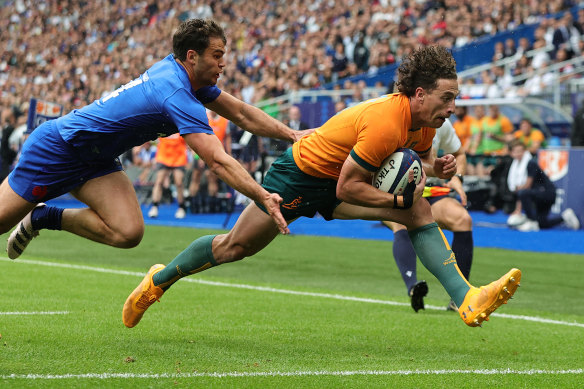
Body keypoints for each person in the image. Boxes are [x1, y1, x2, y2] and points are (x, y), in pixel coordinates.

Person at [123, 46, 521, 330]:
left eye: (454, 98)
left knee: (417, 209)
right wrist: (398, 198)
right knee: (235, 247)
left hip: (337, 179)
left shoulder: (424, 124)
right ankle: (157, 282)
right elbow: (349, 187)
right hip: (301, 174)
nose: (452, 107)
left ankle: (467, 299)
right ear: (420, 94)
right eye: (446, 98)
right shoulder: (387, 121)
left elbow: (416, 166)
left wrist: (438, 167)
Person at [3, 19, 310, 259]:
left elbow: (241, 113)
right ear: (192, 56)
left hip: (96, 160)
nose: (223, 63)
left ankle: (44, 216)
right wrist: (262, 196)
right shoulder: (177, 93)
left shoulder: (185, 77)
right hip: (58, 148)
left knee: (128, 232)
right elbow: (216, 161)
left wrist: (292, 134)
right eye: (217, 56)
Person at [384, 119, 473, 313]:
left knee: (463, 219)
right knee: (402, 223)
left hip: (431, 190)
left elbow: (459, 153)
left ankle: (460, 298)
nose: (449, 108)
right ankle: (412, 287)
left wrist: (457, 178)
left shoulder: (442, 121)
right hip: (393, 193)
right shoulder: (386, 121)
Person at [506, 139, 580, 232]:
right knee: (542, 224)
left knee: (523, 193)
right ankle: (564, 217)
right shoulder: (516, 165)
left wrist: (518, 210)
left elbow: (526, 187)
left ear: (524, 150)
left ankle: (531, 221)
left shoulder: (531, 163)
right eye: (516, 151)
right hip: (540, 195)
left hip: (547, 194)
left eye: (520, 151)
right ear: (511, 153)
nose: (518, 154)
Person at [147, 134, 189, 219]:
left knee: (179, 183)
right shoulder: (163, 124)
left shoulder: (180, 125)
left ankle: (181, 207)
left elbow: (188, 141)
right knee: (159, 182)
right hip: (163, 156)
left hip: (179, 157)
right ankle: (154, 206)